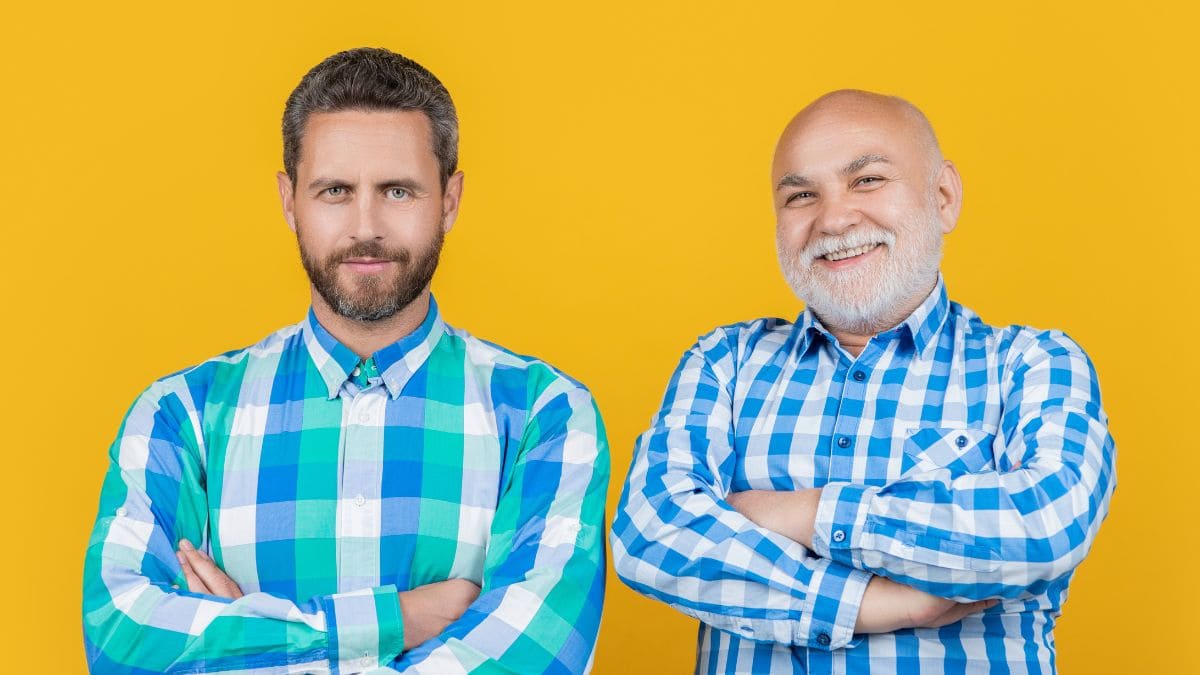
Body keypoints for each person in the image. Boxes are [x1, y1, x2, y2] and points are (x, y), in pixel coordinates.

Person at [82, 47, 609, 674]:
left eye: (398, 190)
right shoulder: (182, 416)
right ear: (288, 200)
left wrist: (248, 636)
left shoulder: (544, 414)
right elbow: (122, 641)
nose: (366, 226)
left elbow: (537, 657)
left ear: (449, 200)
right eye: (335, 190)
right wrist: (400, 621)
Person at [610, 89, 1115, 673]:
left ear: (944, 197)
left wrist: (804, 513)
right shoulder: (726, 360)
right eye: (802, 195)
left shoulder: (1031, 363)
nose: (834, 218)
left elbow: (1044, 524)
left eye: (868, 180)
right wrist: (877, 604)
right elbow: (649, 533)